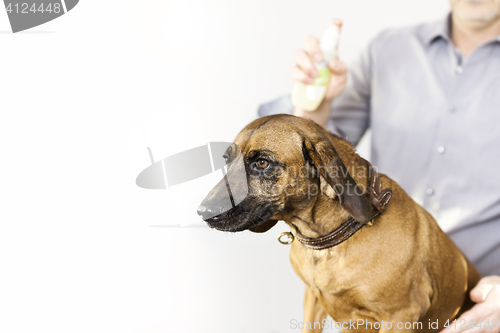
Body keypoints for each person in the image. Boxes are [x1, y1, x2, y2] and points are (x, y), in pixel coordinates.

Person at [258, 0, 500, 330]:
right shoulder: (389, 49)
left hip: (476, 306)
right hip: (376, 302)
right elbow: (323, 158)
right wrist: (315, 106)